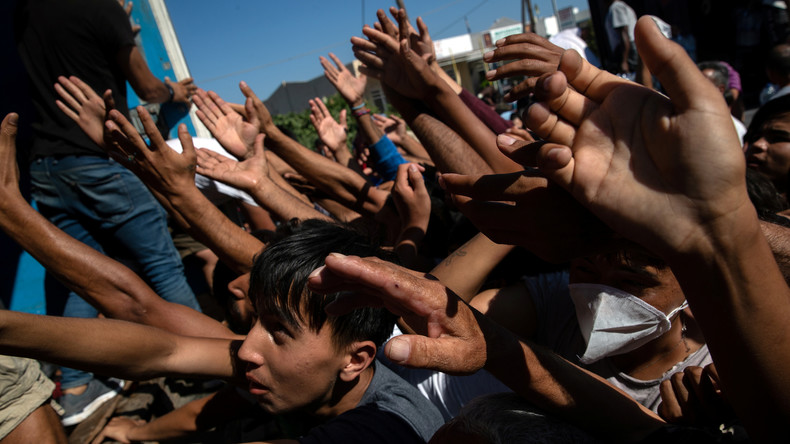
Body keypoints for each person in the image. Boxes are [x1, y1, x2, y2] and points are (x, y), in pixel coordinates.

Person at [308, 15, 790, 441]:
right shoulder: (558, 303)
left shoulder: (724, 368)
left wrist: (708, 229)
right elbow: (494, 195)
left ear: (696, 293)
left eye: (631, 276)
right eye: (583, 259)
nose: (601, 286)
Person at [13, 0, 198, 425]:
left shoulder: (30, 14)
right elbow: (150, 89)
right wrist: (177, 92)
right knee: (164, 265)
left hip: (45, 166)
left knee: (83, 277)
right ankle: (209, 374)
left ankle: (75, 388)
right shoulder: (102, 9)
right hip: (95, 160)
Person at [605, 0, 639, 77]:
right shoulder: (619, 6)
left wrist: (624, 61)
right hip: (628, 51)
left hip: (628, 52)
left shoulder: (616, 7)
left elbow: (624, 33)